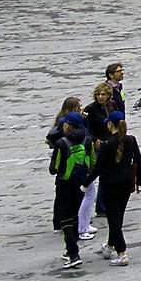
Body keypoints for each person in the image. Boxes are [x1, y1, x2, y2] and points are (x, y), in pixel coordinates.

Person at [47, 104, 95, 270]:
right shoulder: (88, 140)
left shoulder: (61, 143)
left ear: (68, 125)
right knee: (75, 216)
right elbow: (93, 162)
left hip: (64, 185)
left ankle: (73, 254)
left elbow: (53, 169)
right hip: (81, 184)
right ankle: (71, 250)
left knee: (66, 219)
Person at [94, 118, 141, 263]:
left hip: (110, 185)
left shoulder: (108, 144)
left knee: (114, 219)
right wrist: (140, 182)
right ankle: (110, 246)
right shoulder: (131, 140)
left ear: (110, 125)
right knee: (118, 217)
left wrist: (85, 183)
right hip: (126, 184)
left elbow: (98, 168)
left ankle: (121, 252)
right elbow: (138, 161)